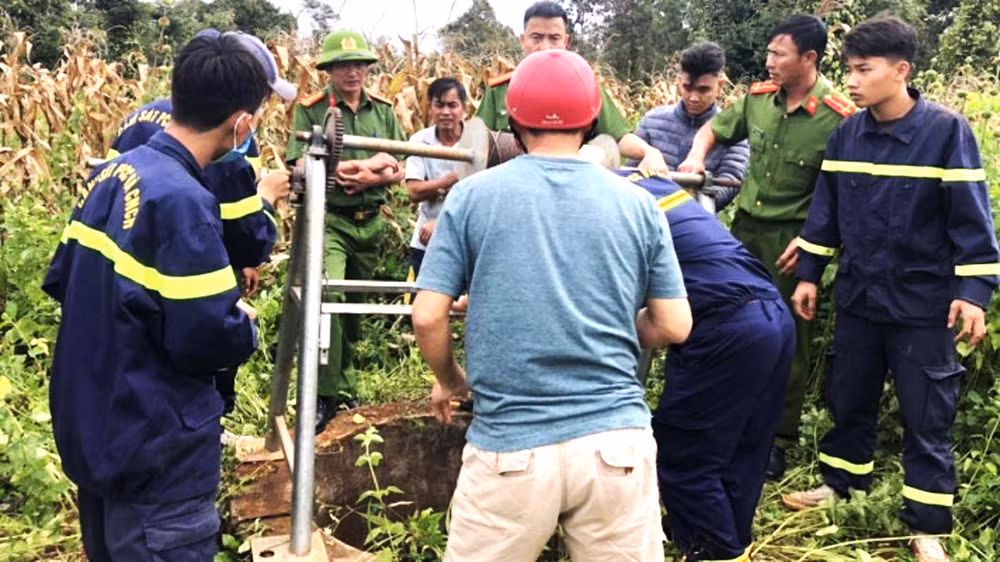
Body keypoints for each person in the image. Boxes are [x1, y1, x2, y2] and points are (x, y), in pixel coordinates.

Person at [412, 49, 692, 562]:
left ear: (513, 120)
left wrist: (452, 380)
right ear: (592, 120)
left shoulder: (472, 197)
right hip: (616, 446)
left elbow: (428, 315)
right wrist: (608, 324)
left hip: (510, 449)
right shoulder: (638, 204)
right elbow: (675, 325)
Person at [42, 30, 268, 560]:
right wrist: (243, 322)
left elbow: (63, 280)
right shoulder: (184, 204)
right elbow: (206, 340)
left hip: (96, 430)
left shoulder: (112, 174)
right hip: (155, 453)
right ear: (241, 124)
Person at [780, 17, 998, 562]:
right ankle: (842, 485)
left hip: (924, 304)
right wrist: (809, 274)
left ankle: (927, 525)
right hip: (859, 298)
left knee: (928, 412)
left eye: (863, 70)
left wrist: (973, 293)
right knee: (848, 396)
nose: (851, 82)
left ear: (901, 70)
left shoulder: (945, 133)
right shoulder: (847, 134)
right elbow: (826, 214)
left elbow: (971, 221)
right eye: (849, 70)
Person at [678, 14, 855, 478]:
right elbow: (714, 130)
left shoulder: (837, 117)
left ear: (809, 58)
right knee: (726, 322)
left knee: (788, 339)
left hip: (793, 242)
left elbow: (845, 191)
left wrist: (815, 242)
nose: (769, 61)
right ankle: (725, 417)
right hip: (745, 234)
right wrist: (696, 156)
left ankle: (777, 437)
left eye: (779, 54)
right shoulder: (758, 100)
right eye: (769, 52)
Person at [107, 32, 295, 414]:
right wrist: (266, 197)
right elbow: (244, 237)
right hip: (194, 283)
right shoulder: (222, 146)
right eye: (262, 101)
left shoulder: (137, 123)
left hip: (118, 332)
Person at [618, 168, 794, 562]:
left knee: (684, 457)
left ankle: (715, 550)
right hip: (771, 316)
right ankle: (729, 539)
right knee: (741, 450)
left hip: (725, 326)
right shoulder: (645, 183)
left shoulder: (603, 205)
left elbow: (660, 323)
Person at [284, 29, 407, 433]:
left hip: (369, 222)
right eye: (343, 66)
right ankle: (323, 394)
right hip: (331, 219)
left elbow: (401, 164)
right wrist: (359, 167)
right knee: (330, 297)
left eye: (359, 65)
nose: (352, 72)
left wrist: (370, 175)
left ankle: (347, 386)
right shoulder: (312, 109)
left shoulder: (383, 111)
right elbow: (299, 163)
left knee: (353, 307)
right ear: (329, 70)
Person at [476, 1, 668, 170]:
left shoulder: (585, 88)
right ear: (523, 40)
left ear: (566, 41)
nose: (545, 47)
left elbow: (619, 137)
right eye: (536, 37)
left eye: (554, 38)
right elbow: (478, 141)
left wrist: (649, 153)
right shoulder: (500, 90)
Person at [631, 42, 749, 210]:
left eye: (703, 90)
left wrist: (687, 206)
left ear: (720, 86)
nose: (693, 98)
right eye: (687, 87)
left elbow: (730, 182)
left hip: (698, 218)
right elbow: (629, 173)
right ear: (679, 81)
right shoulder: (652, 121)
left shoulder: (733, 132)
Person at [405, 78, 466, 279]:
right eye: (439, 105)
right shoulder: (419, 141)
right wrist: (450, 180)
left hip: (465, 239)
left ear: (464, 108)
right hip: (426, 240)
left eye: (452, 105)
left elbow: (480, 198)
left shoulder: (477, 141)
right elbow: (414, 191)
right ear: (430, 108)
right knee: (423, 294)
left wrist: (441, 224)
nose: (446, 112)